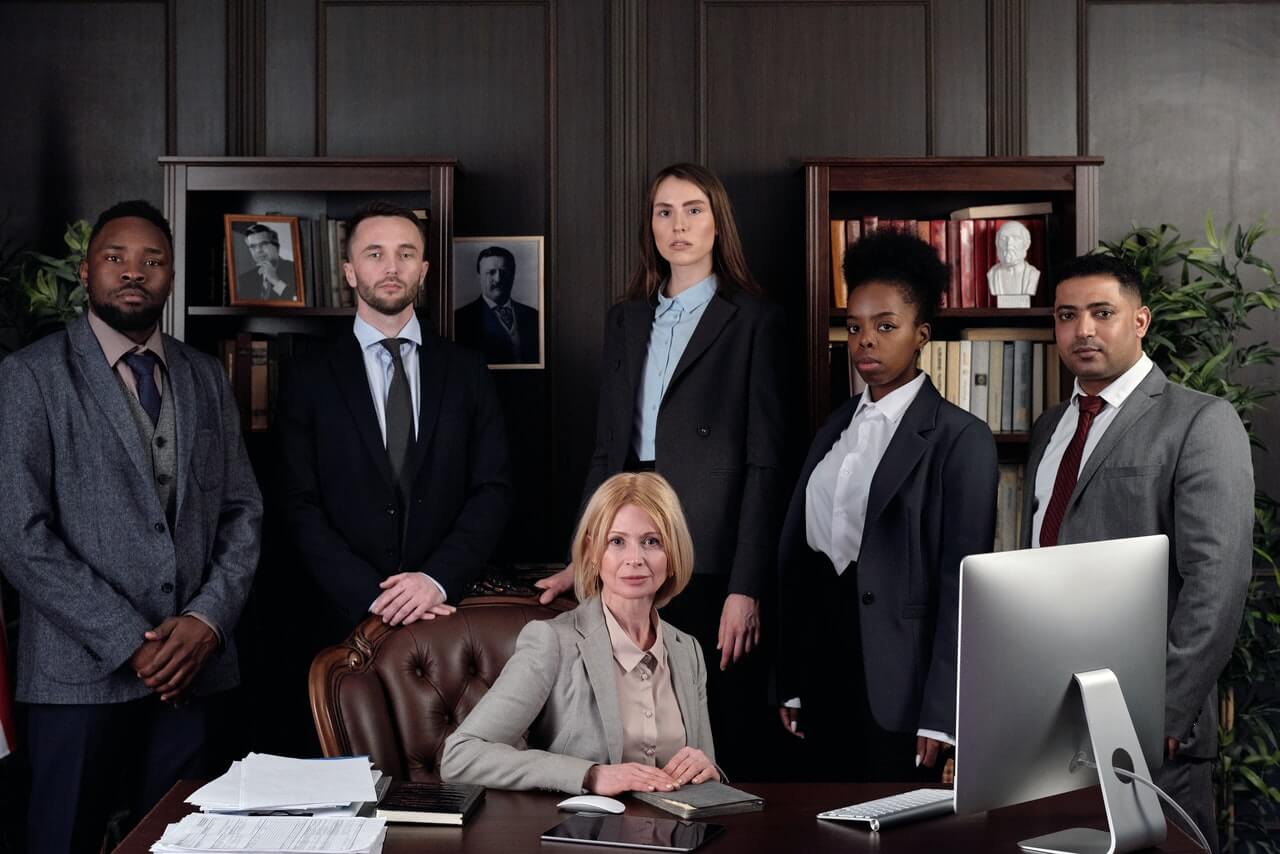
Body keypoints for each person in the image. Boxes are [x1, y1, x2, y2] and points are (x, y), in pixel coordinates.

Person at [0, 200, 262, 853]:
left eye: (153, 261)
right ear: (87, 272)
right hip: (75, 673)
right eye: (116, 258)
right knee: (62, 841)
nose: (134, 273)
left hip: (191, 671)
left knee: (185, 845)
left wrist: (206, 621)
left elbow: (241, 510)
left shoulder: (204, 375)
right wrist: (129, 641)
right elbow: (19, 534)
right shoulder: (30, 376)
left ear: (171, 278)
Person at [534, 162, 786, 778]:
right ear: (650, 226)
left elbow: (765, 462)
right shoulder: (627, 319)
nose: (678, 225)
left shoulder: (753, 319)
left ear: (717, 222)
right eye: (664, 212)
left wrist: (745, 585)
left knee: (710, 719)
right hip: (630, 532)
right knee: (633, 716)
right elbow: (606, 449)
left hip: (711, 545)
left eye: (693, 209)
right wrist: (583, 552)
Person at [1022, 253, 1252, 852]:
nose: (1084, 330)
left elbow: (1216, 584)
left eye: (1103, 313)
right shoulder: (1050, 428)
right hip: (1051, 718)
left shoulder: (1200, 420)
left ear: (1141, 320)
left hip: (1148, 723)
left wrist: (1164, 712)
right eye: (1067, 316)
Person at [776, 228, 997, 782]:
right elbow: (804, 560)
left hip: (903, 684)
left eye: (885, 326)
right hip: (824, 669)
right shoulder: (834, 427)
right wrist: (794, 678)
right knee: (820, 829)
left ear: (921, 334)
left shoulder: (959, 438)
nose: (865, 341)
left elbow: (963, 585)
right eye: (855, 327)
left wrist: (944, 712)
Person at [275, 201, 514, 647]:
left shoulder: (467, 371)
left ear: (422, 271)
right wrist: (375, 597)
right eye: (374, 254)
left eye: (405, 254)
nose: (391, 267)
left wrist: (436, 579)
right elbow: (297, 504)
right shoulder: (306, 376)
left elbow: (493, 490)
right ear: (350, 271)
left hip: (448, 611)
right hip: (340, 619)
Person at [441, 472, 717, 794]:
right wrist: (590, 775)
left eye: (651, 541)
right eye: (617, 542)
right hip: (583, 836)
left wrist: (707, 769)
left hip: (677, 838)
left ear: (672, 555)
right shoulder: (552, 642)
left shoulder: (688, 651)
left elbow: (704, 771)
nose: (635, 559)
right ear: (592, 551)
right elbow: (460, 756)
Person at [454, 245, 540, 364]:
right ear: (479, 277)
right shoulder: (460, 319)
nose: (498, 279)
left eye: (504, 272)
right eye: (491, 272)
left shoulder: (534, 316)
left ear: (513, 274)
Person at [235, 223, 298, 302]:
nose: (258, 250)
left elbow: (299, 302)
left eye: (263, 244)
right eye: (253, 246)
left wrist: (276, 281)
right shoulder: (244, 280)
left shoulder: (296, 270)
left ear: (276, 247)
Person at [986, 220, 1040, 307]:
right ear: (997, 243)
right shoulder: (992, 274)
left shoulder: (1033, 274)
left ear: (1026, 244)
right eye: (1004, 238)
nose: (1009, 244)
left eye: (1015, 238)